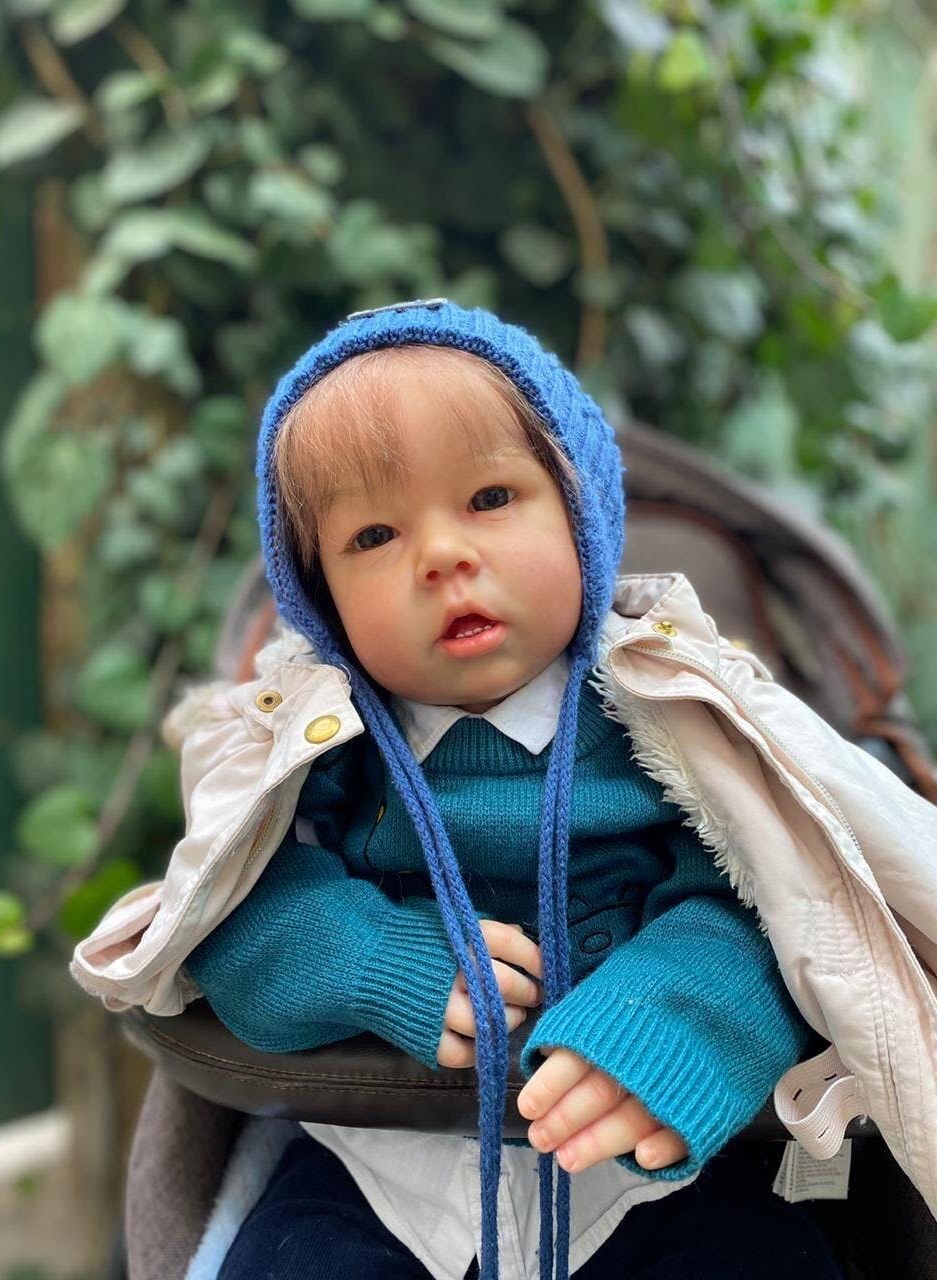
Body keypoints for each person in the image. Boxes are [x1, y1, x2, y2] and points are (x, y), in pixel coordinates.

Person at [171, 300, 848, 1280]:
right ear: (321, 597)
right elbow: (234, 915)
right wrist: (376, 957)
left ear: (581, 516)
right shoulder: (320, 747)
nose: (442, 555)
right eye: (374, 534)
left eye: (489, 497)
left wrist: (670, 1026)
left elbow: (766, 908)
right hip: (384, 1157)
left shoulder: (666, 722)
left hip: (652, 1156)